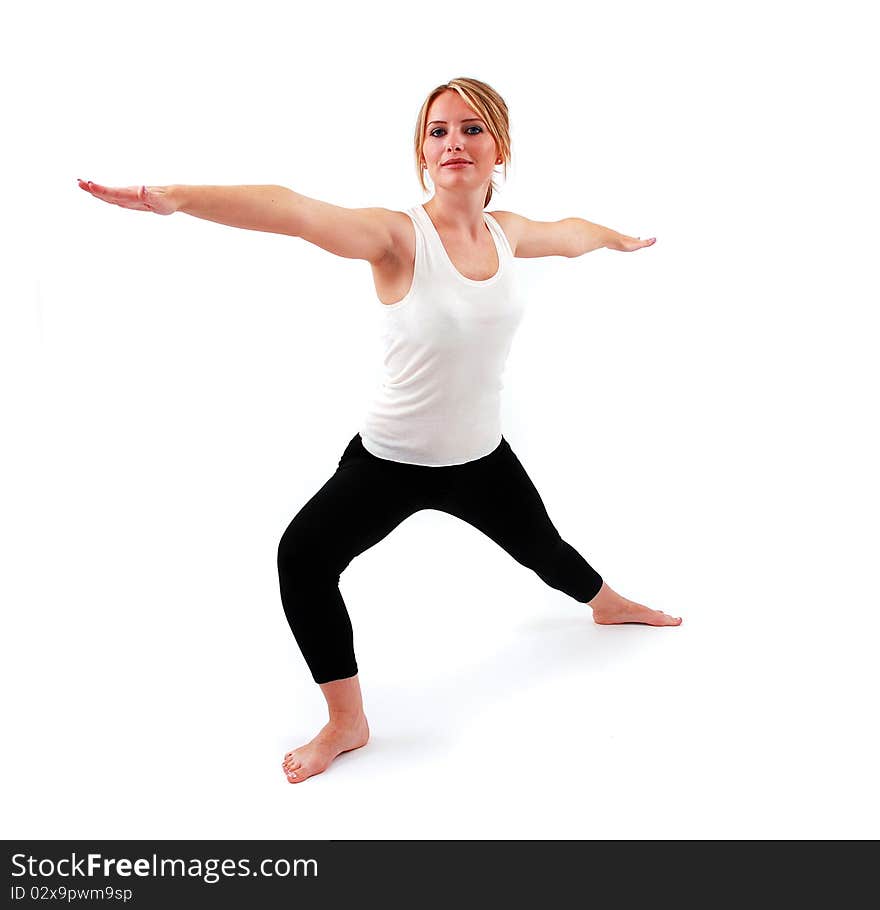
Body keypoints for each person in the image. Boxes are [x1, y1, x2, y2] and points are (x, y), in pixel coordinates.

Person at [78, 76, 681, 786]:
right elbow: (295, 210)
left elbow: (568, 236)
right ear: (422, 154)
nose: (454, 141)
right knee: (302, 558)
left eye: (472, 128)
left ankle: (606, 606)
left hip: (481, 457)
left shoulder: (505, 232)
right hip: (389, 461)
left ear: (501, 148)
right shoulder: (397, 236)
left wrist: (611, 238)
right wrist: (178, 199)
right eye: (438, 131)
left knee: (543, 547)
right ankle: (347, 721)